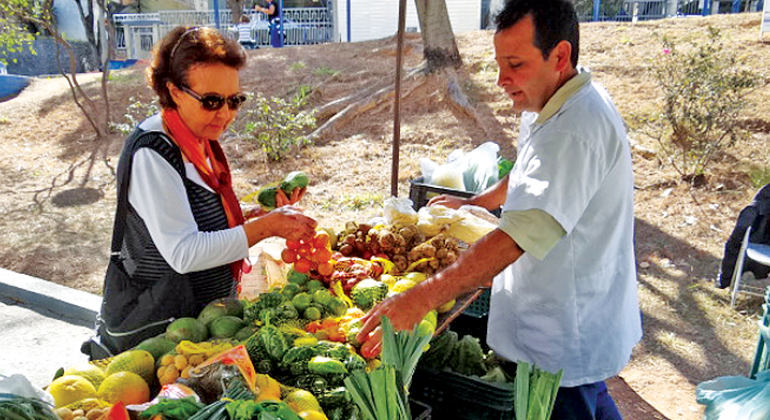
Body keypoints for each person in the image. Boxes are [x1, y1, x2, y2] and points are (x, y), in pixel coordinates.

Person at [357, 0, 641, 418]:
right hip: (561, 312)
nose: (502, 79)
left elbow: (516, 238)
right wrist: (475, 204)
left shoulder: (575, 128)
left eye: (515, 64)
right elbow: (528, 168)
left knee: (571, 401)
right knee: (592, 399)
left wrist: (422, 297)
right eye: (499, 63)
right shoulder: (553, 98)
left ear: (559, 55)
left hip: (566, 325)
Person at [89, 26, 317, 357]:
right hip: (162, 339)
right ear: (175, 91)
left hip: (204, 326)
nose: (224, 114)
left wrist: (253, 216)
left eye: (234, 101)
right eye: (211, 101)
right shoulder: (153, 152)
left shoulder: (197, 139)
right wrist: (264, 229)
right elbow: (183, 252)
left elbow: (193, 215)